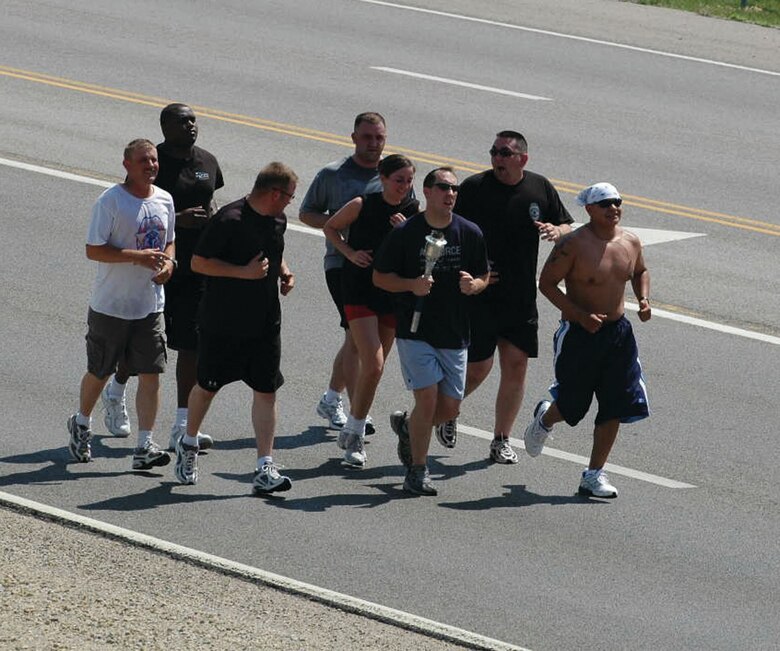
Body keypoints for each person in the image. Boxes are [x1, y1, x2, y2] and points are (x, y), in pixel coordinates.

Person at [441, 130, 573, 464]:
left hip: (520, 295)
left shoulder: (539, 187)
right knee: (478, 368)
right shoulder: (474, 188)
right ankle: (444, 411)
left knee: (515, 367)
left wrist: (557, 232)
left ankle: (500, 439)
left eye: (504, 153)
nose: (497, 158)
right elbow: (449, 227)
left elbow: (568, 226)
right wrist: (473, 267)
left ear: (522, 159)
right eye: (494, 152)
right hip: (481, 293)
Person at [101, 104, 224, 453]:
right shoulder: (154, 164)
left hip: (195, 266)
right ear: (165, 126)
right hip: (153, 267)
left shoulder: (207, 161)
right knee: (144, 346)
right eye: (182, 121)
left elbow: (211, 200)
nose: (190, 126)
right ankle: (117, 388)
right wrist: (178, 220)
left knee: (191, 344)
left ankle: (183, 427)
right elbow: (142, 206)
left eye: (193, 120)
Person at [173, 162, 298, 495]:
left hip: (265, 322)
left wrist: (284, 272)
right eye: (288, 196)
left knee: (266, 391)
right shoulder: (229, 220)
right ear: (274, 193)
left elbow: (273, 251)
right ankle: (188, 443)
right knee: (208, 386)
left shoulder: (277, 219)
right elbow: (199, 262)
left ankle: (264, 466)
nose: (289, 203)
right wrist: (244, 273)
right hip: (223, 322)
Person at [523, 182, 651, 499]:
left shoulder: (630, 241)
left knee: (615, 405)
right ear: (589, 209)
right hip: (580, 334)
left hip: (618, 335)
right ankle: (545, 417)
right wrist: (579, 315)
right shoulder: (573, 244)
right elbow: (547, 283)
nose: (613, 208)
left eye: (617, 202)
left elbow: (640, 271)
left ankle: (593, 475)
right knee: (573, 404)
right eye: (605, 203)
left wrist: (644, 299)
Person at [373, 167, 489, 496]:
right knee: (427, 399)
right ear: (427, 191)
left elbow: (483, 273)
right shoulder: (407, 232)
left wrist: (474, 285)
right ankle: (418, 470)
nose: (450, 194)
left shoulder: (469, 232)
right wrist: (411, 284)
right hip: (415, 330)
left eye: (454, 189)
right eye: (443, 188)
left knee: (450, 408)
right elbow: (380, 277)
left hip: (454, 332)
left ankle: (410, 429)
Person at [67, 139, 175, 471]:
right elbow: (94, 250)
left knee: (151, 373)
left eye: (154, 160)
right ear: (127, 164)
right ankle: (82, 422)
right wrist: (137, 258)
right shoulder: (111, 201)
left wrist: (169, 264)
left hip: (150, 305)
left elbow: (169, 240)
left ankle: (145, 445)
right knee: (100, 371)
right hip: (111, 306)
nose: (151, 165)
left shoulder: (165, 199)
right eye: (144, 160)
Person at [323, 154, 419, 467]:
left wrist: (407, 231)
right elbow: (331, 228)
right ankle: (354, 432)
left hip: (392, 292)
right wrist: (350, 253)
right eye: (398, 180)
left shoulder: (413, 211)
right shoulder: (363, 203)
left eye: (408, 180)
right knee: (374, 364)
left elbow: (421, 250)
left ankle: (351, 424)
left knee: (375, 369)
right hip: (359, 289)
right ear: (383, 177)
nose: (404, 187)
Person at [300, 112, 388, 434]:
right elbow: (306, 213)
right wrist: (342, 224)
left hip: (379, 269)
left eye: (378, 138)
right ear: (353, 138)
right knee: (355, 337)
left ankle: (331, 397)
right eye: (367, 137)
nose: (373, 144)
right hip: (341, 264)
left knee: (357, 339)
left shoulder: (392, 175)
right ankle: (354, 412)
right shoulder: (333, 174)